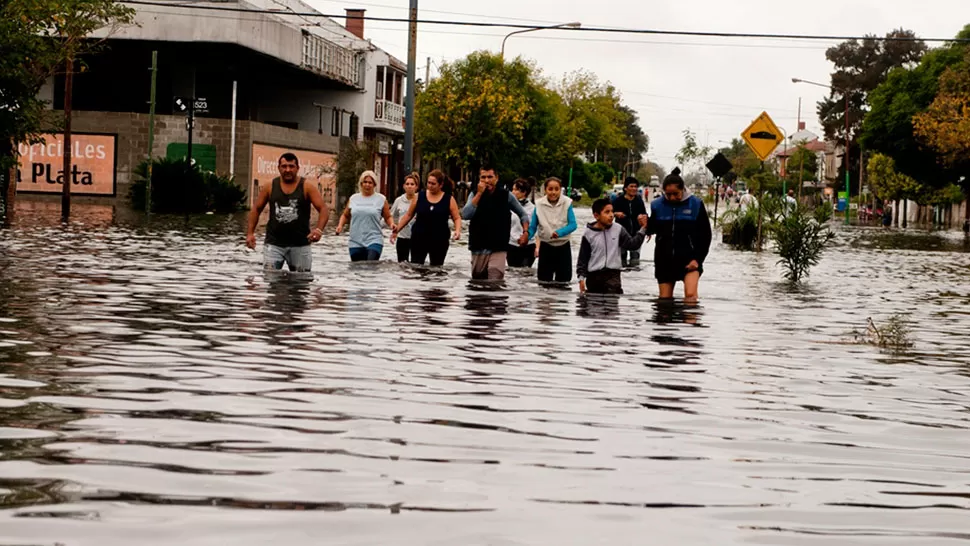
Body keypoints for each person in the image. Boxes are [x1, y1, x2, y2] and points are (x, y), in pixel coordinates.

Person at [246, 152, 329, 271]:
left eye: (291, 166)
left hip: (300, 244)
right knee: (271, 280)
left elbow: (323, 209)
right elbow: (256, 209)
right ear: (278, 168)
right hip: (274, 244)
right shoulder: (270, 186)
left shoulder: (307, 187)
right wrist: (250, 233)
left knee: (301, 283)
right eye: (284, 166)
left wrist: (319, 230)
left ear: (297, 168)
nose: (288, 170)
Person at [647, 168, 713, 303]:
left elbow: (705, 235)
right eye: (668, 194)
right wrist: (645, 224)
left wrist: (698, 259)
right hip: (664, 260)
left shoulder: (696, 204)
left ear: (683, 189)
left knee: (690, 297)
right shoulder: (656, 205)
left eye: (675, 194)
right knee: (664, 302)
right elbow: (652, 229)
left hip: (690, 260)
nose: (672, 198)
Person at [461, 165, 530, 280]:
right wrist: (479, 194)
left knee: (495, 280)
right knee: (477, 282)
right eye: (483, 177)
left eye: (490, 177)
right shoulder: (474, 194)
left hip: (499, 245)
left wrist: (526, 232)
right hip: (478, 245)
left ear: (496, 178)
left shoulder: (506, 195)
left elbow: (523, 214)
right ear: (479, 179)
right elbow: (465, 215)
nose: (487, 181)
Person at [576, 198, 648, 294]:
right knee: (593, 305)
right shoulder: (588, 234)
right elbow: (583, 259)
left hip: (613, 275)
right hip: (594, 276)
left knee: (612, 304)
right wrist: (581, 278)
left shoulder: (618, 229)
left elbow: (632, 245)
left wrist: (643, 229)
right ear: (596, 215)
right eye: (607, 212)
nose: (611, 215)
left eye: (612, 211)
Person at [392, 169, 462, 266]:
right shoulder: (419, 196)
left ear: (440, 185)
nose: (430, 186)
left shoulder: (449, 199)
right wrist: (397, 229)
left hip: (439, 240)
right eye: (428, 183)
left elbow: (457, 217)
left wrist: (457, 231)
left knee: (436, 269)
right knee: (416, 268)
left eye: (433, 184)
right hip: (419, 238)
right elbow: (408, 215)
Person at [335, 170, 393, 262]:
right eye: (365, 182)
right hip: (355, 240)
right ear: (361, 184)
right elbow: (345, 215)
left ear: (374, 184)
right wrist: (340, 226)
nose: (367, 185)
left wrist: (392, 225)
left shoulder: (381, 199)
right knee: (357, 270)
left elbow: (388, 217)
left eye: (370, 182)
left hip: (374, 239)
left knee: (370, 266)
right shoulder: (354, 198)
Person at [529, 177, 577, 283]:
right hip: (546, 247)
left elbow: (573, 225)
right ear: (545, 190)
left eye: (556, 189)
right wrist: (526, 236)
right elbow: (533, 227)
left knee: (564, 282)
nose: (553, 192)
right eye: (550, 189)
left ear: (560, 190)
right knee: (544, 282)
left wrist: (559, 233)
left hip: (563, 247)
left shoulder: (567, 203)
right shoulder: (539, 204)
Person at [610, 176, 648, 267]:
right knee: (621, 263)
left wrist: (648, 231)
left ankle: (634, 280)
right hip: (621, 235)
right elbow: (607, 214)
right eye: (631, 186)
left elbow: (645, 216)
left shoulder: (639, 201)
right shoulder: (617, 200)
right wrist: (615, 213)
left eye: (635, 186)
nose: (634, 189)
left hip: (636, 234)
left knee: (635, 262)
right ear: (625, 188)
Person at [507, 178, 537, 268]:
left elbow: (537, 229)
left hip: (529, 245)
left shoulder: (533, 208)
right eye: (512, 189)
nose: (512, 192)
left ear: (524, 192)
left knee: (525, 271)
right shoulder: (508, 207)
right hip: (512, 244)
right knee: (512, 272)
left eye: (515, 190)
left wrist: (538, 247)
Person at [390, 173, 419, 262]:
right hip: (402, 237)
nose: (409, 186)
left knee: (416, 265)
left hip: (417, 238)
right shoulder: (399, 200)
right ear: (403, 186)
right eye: (407, 184)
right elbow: (392, 216)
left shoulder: (420, 199)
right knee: (402, 265)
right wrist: (394, 229)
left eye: (412, 184)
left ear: (416, 187)